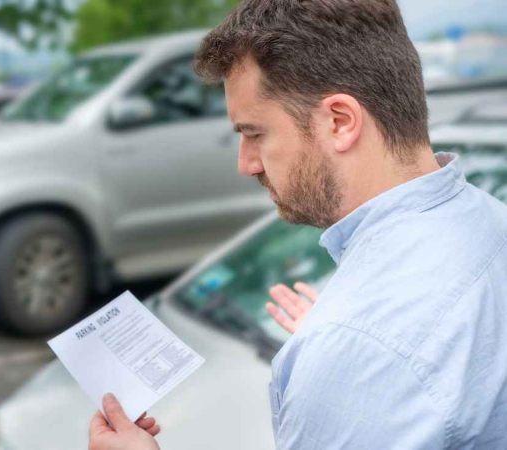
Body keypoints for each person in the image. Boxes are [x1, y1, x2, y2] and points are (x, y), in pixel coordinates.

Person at [88, 0, 507, 448]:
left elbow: (384, 351)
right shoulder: (488, 217)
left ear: (340, 122)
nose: (245, 164)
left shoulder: (358, 349)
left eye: (254, 134)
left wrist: (345, 351)